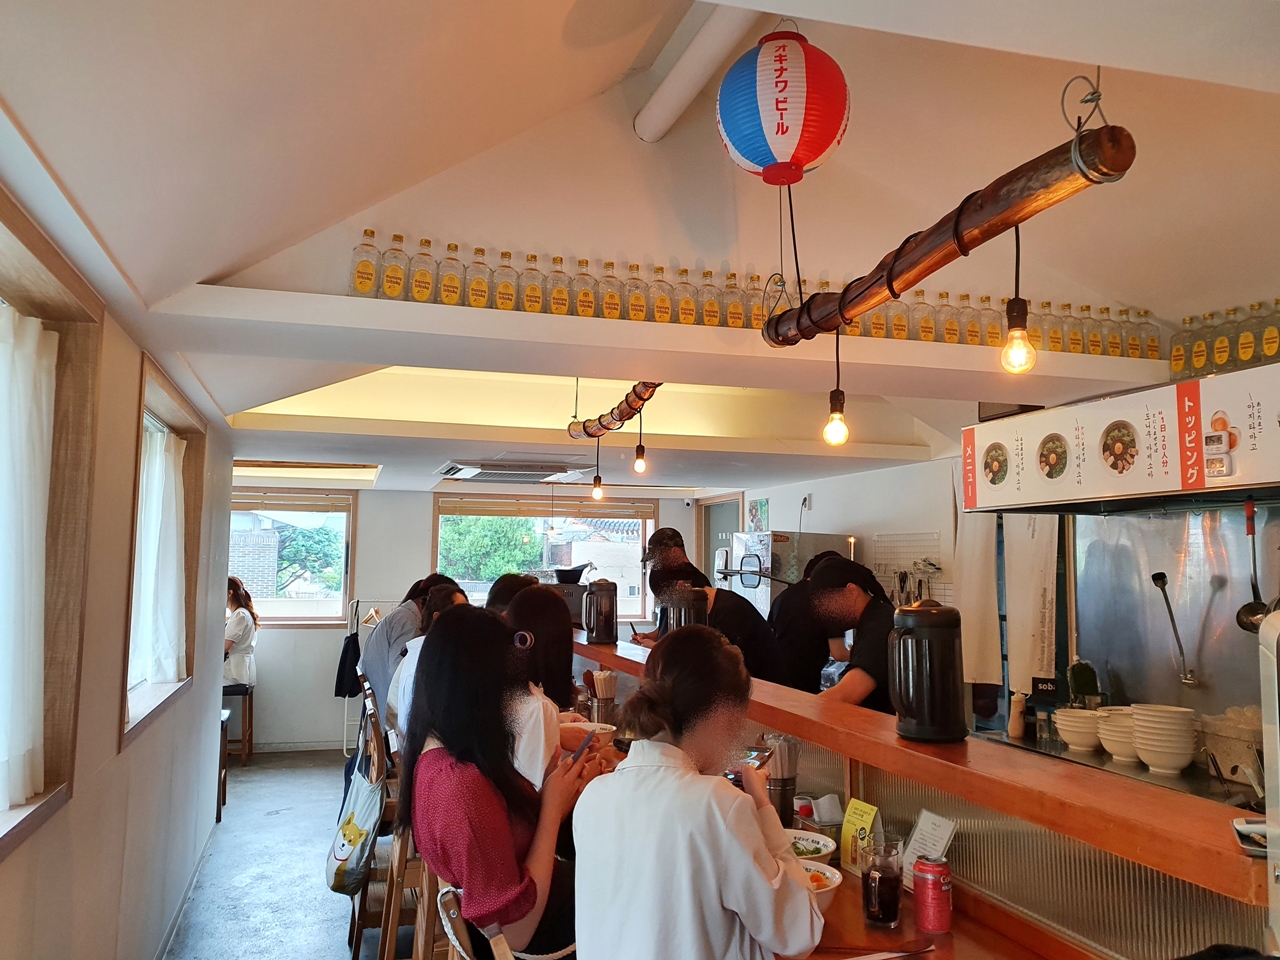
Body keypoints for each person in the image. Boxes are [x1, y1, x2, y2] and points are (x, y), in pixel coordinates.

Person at [573, 625, 823, 960]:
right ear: (722, 716)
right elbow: (799, 933)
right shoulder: (718, 805)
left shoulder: (594, 796)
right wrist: (762, 804)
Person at [398, 605, 589, 960]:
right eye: (508, 689)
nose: (514, 702)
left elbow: (505, 834)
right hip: (538, 937)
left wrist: (554, 792)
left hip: (541, 897)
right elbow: (517, 933)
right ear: (480, 691)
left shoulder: (438, 753)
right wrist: (551, 809)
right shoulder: (461, 787)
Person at [646, 566, 783, 683]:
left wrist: (660, 650)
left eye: (668, 600)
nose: (670, 606)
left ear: (681, 586)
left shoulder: (730, 610)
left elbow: (715, 666)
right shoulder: (697, 609)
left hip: (768, 690)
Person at [359, 573, 457, 722]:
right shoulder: (409, 621)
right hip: (391, 715)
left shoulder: (402, 615)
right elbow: (402, 674)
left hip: (383, 707)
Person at [810, 558, 896, 713]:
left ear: (851, 591)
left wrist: (801, 712)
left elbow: (847, 695)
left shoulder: (880, 625)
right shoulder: (874, 618)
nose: (824, 611)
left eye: (826, 602)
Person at [386, 583, 469, 738]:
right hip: (414, 743)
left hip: (409, 737)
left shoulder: (428, 649)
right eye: (461, 613)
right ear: (437, 618)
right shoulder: (428, 660)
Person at [768, 550, 845, 694]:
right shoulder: (829, 601)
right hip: (806, 679)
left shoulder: (783, 596)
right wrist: (862, 654)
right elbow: (839, 653)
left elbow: (770, 633)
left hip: (777, 675)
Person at [224, 577, 258, 686]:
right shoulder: (241, 613)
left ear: (230, 593)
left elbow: (225, 647)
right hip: (239, 668)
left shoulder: (240, 614)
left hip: (235, 672)